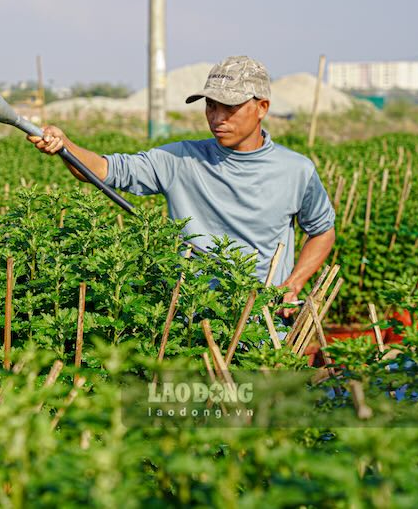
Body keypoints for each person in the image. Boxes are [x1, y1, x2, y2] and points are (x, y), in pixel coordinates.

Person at [29, 55, 335, 316]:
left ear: (262, 107)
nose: (217, 118)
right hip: (191, 321)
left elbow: (322, 231)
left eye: (230, 108)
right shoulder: (180, 159)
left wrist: (293, 283)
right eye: (211, 107)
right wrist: (65, 145)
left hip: (264, 326)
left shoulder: (295, 170)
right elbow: (104, 170)